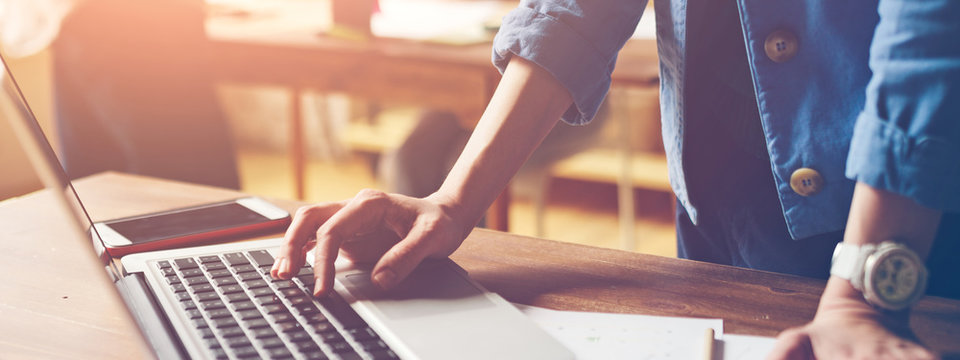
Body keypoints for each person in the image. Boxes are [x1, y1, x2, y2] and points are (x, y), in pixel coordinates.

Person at [272, 0, 960, 358]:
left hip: (913, 233)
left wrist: (864, 299)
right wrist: (452, 202)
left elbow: (933, 31)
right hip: (727, 227)